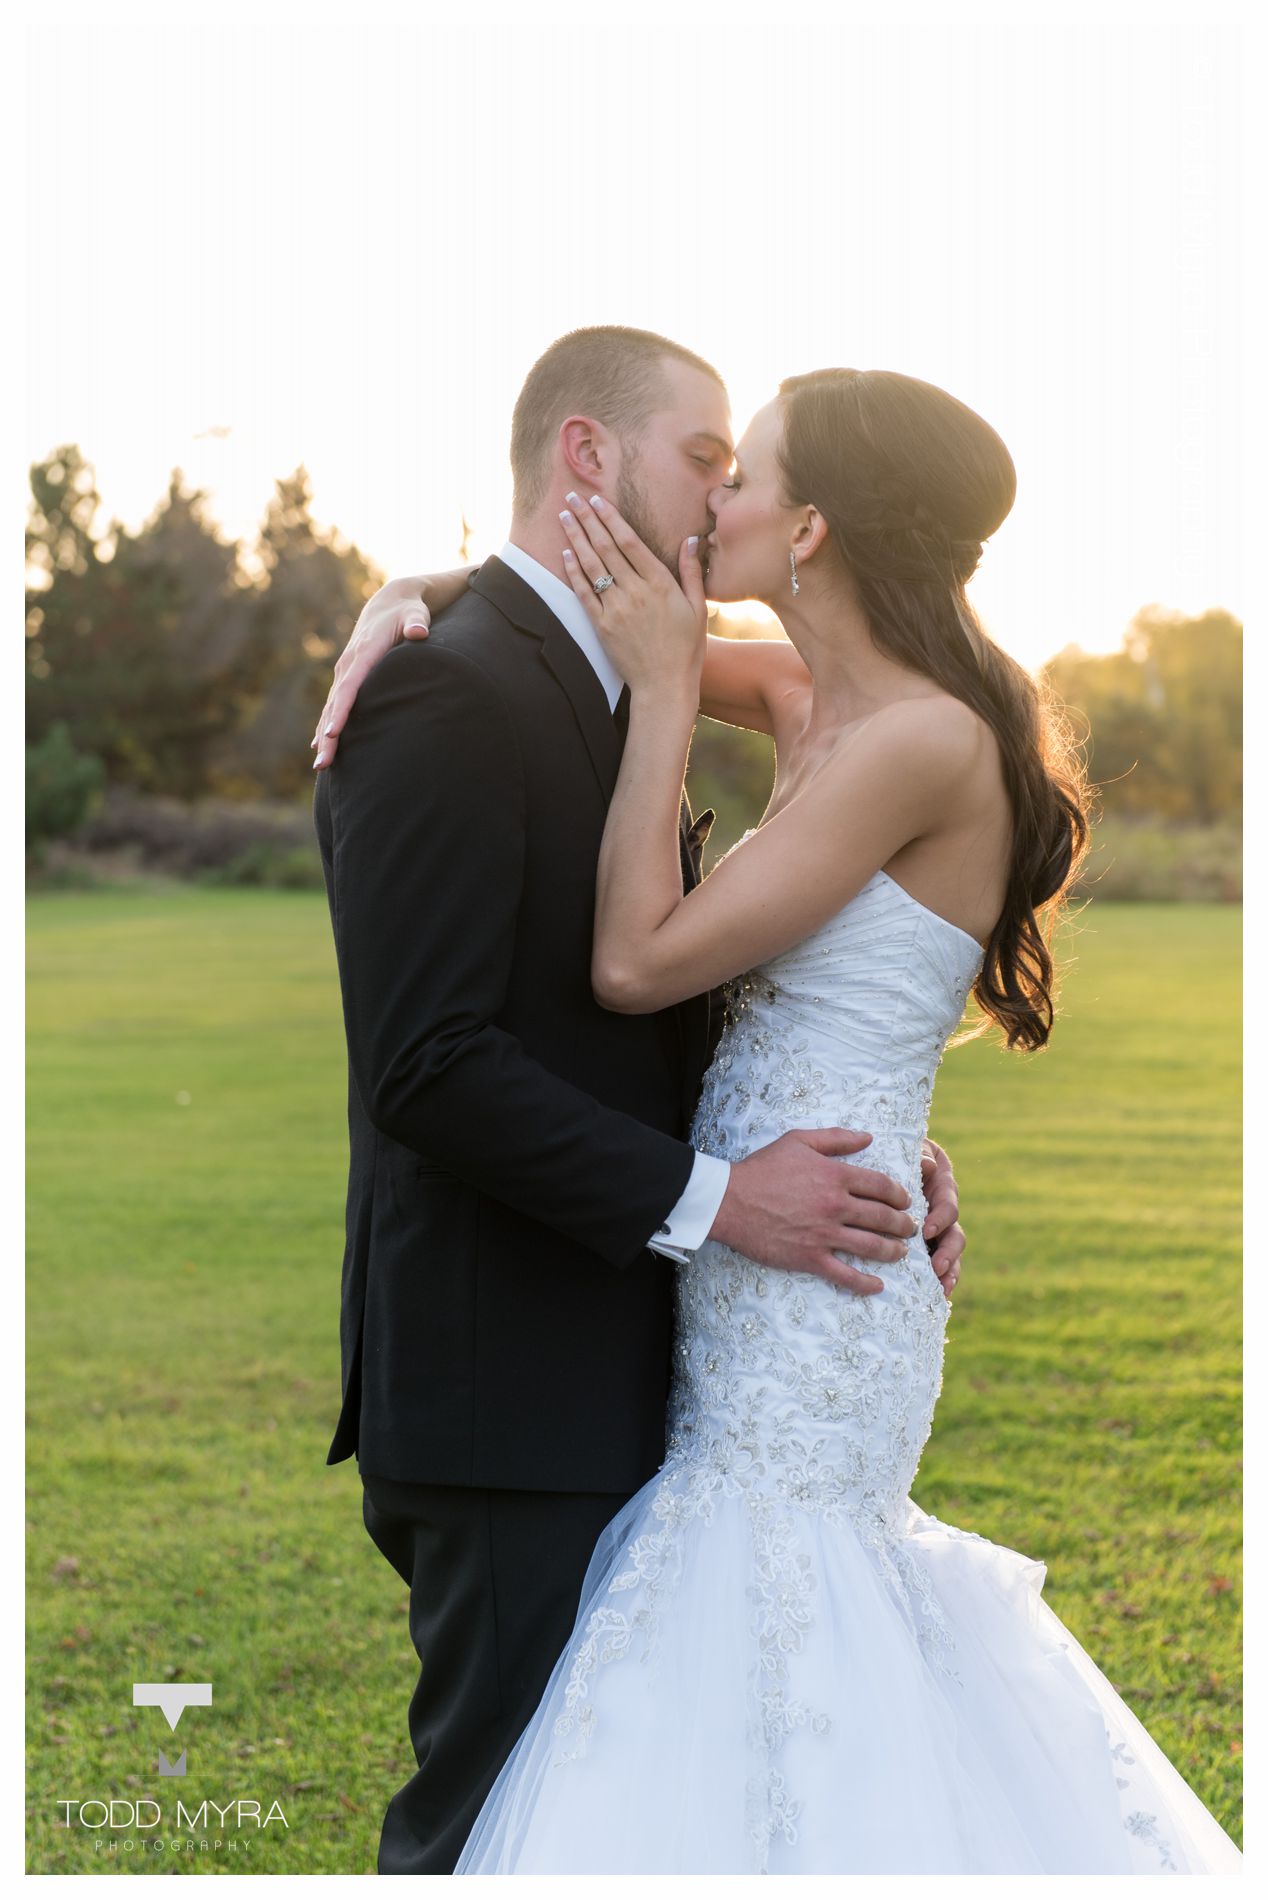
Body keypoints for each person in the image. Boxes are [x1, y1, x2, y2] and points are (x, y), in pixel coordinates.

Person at [321, 362, 1242, 1873]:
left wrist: (672, 692)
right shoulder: (818, 694)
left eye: (738, 475)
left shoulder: (918, 743)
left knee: (780, 1607)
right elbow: (556, 606)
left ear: (809, 528)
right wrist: (393, 594)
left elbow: (633, 962)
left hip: (811, 1272)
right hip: (750, 1236)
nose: (715, 501)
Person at [310, 326, 966, 1876]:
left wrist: (872, 1125)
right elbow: (429, 1068)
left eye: (748, 470)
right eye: (703, 456)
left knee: (628, 1820)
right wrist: (731, 1199)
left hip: (646, 1359)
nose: (723, 492)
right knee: (498, 1828)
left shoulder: (634, 681)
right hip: (505, 1384)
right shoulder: (445, 697)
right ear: (588, 461)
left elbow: (687, 1012)